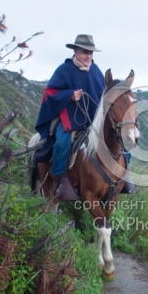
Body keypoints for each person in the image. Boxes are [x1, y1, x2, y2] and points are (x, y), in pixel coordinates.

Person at [35, 34, 105, 199]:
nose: (88, 56)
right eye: (84, 52)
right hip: (70, 117)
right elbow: (49, 93)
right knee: (62, 143)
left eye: (91, 53)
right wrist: (69, 96)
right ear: (75, 51)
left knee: (116, 140)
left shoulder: (96, 71)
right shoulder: (64, 70)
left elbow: (103, 93)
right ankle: (59, 179)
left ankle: (118, 178)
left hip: (92, 119)